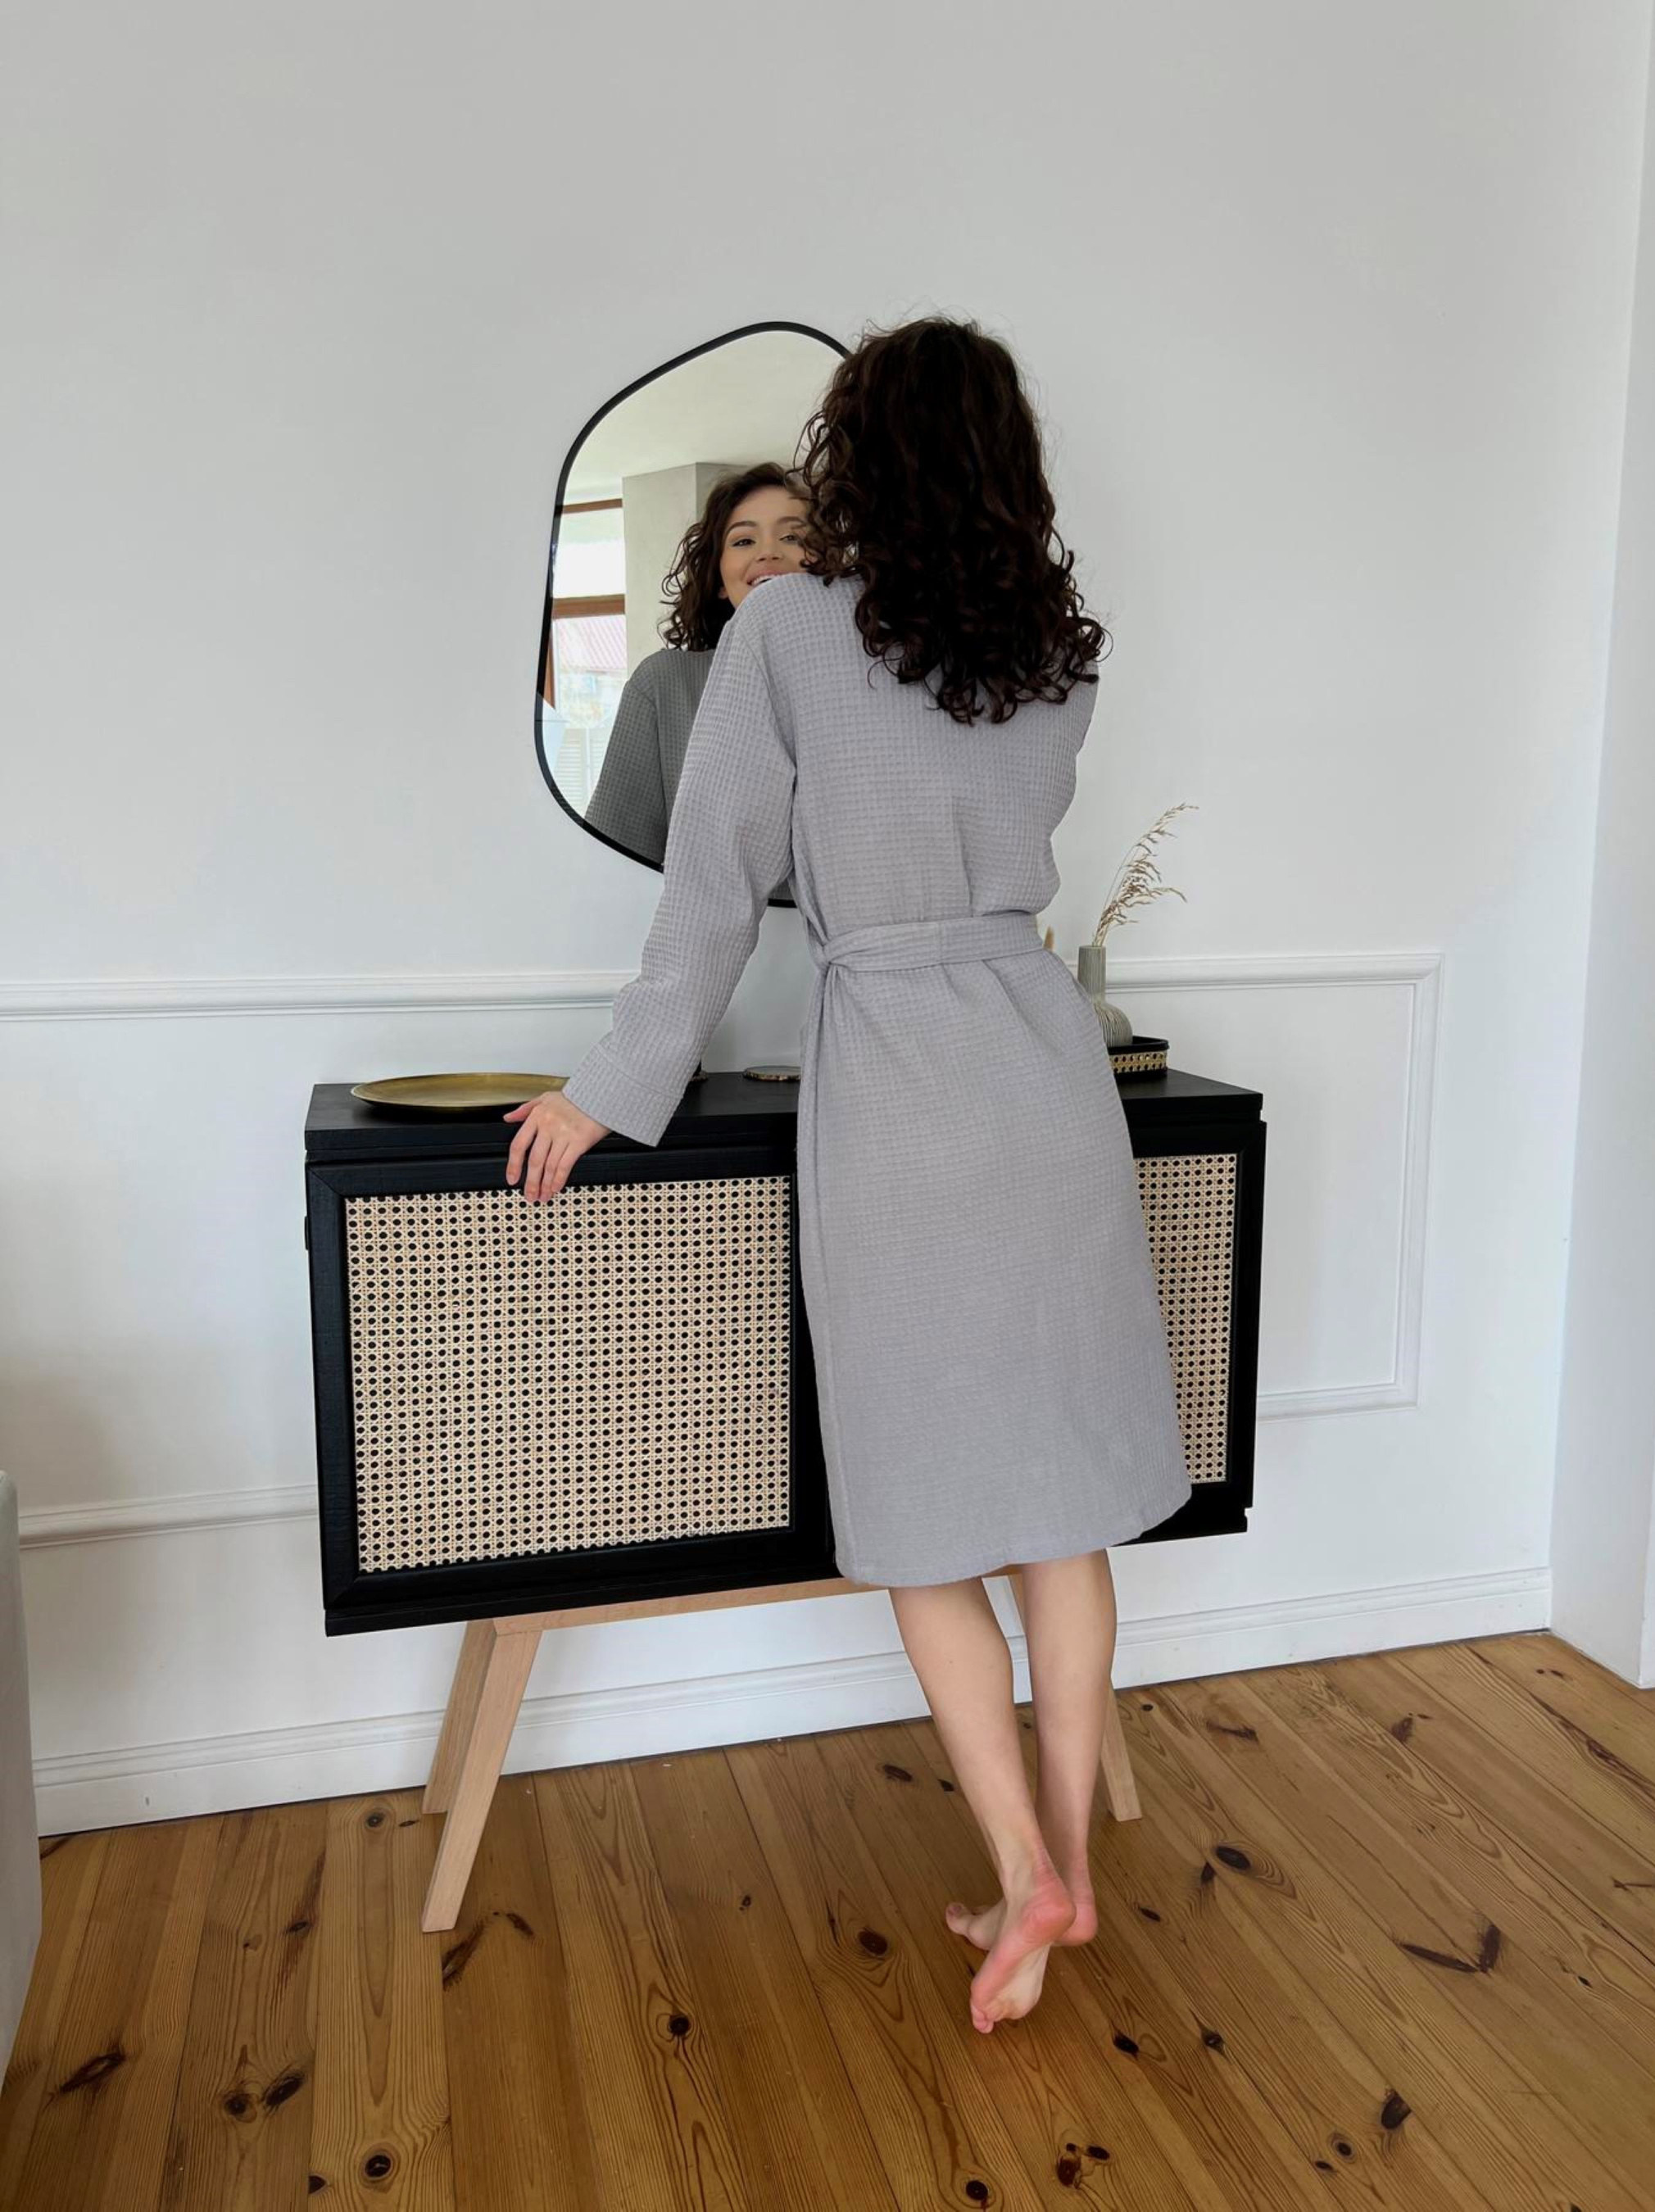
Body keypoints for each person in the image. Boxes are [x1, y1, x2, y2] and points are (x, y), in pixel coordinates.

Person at [506, 315, 1191, 2036]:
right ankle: (1064, 1868)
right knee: (1058, 1507)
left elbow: (713, 893)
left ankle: (1026, 1867)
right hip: (1043, 1072)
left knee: (927, 1517)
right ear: (1007, 461)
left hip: (897, 1082)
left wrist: (607, 1093)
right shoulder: (1053, 656)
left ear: (857, 454)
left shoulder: (792, 631)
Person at [583, 462, 810, 870]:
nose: (769, 552)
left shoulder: (872, 682)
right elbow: (614, 854)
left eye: (792, 536)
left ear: (827, 564)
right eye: (743, 541)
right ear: (720, 579)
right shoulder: (664, 686)